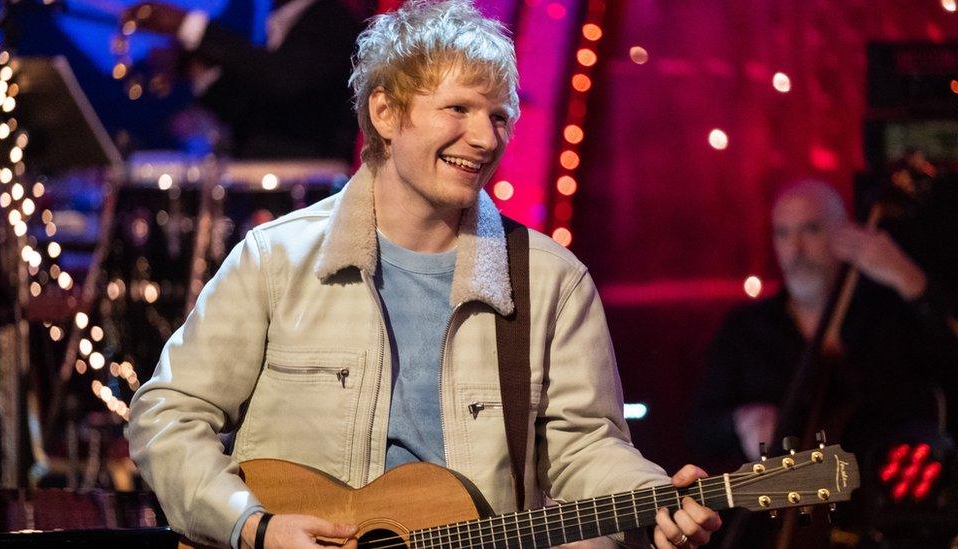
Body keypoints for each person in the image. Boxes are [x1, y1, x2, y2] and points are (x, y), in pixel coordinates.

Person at [128, 2, 721, 548]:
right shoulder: (276, 258)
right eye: (458, 109)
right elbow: (167, 417)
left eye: (498, 116)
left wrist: (653, 498)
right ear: (385, 113)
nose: (485, 138)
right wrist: (253, 527)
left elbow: (586, 450)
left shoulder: (552, 281)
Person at [689, 180, 958, 546]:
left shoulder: (890, 315)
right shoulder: (746, 329)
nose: (795, 248)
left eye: (811, 229)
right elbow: (700, 427)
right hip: (773, 528)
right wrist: (740, 421)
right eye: (783, 233)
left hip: (884, 526)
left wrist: (908, 279)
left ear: (844, 234)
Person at [122, 0, 363, 161]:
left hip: (310, 190)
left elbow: (283, 80)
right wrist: (198, 69)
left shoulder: (332, 17)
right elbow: (253, 110)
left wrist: (189, 25)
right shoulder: (270, 19)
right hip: (261, 177)